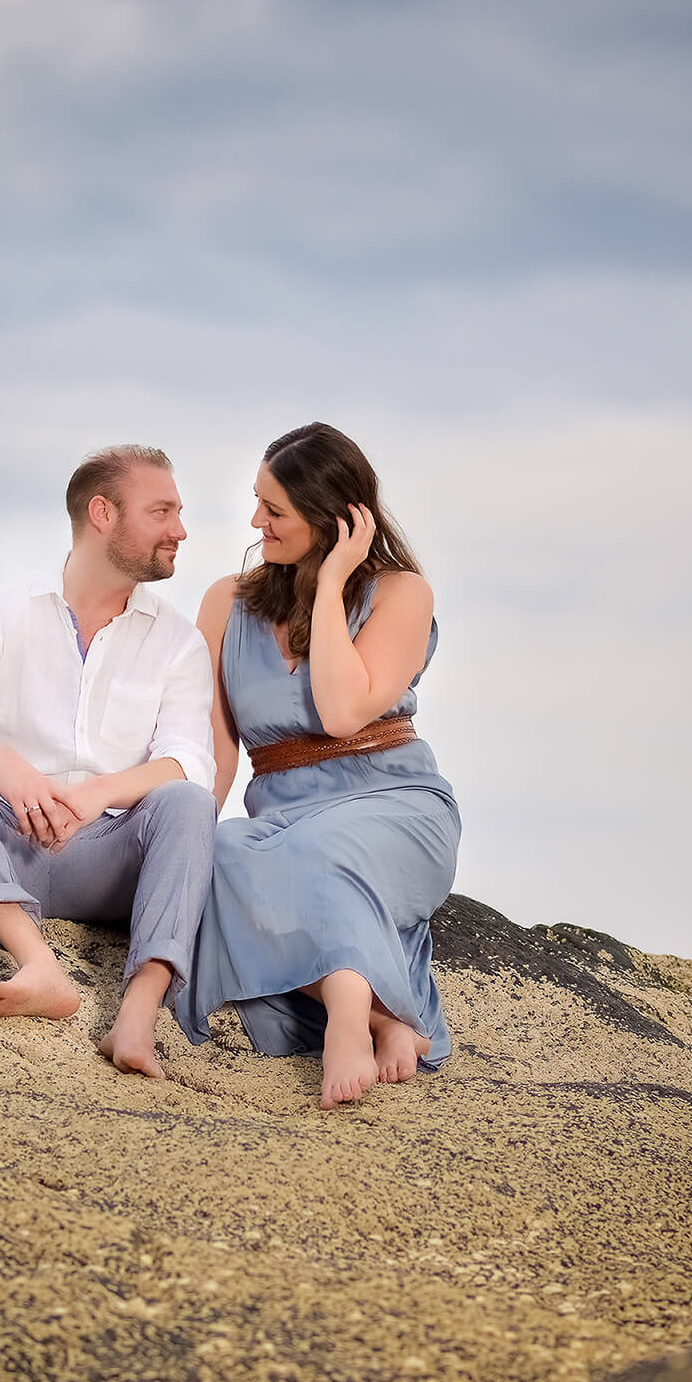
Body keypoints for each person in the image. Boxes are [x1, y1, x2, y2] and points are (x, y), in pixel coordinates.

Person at [0, 444, 216, 1078]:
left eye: (178, 512)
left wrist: (101, 792)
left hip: (109, 858)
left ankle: (137, 1015)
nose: (180, 529)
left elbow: (189, 763)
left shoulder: (178, 640)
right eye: (162, 511)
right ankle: (38, 964)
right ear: (103, 513)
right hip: (6, 843)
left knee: (187, 802)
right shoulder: (1, 613)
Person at [176, 422, 460, 1110]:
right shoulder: (226, 602)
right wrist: (186, 840)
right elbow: (217, 749)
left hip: (394, 803)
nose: (254, 521)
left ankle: (343, 1027)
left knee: (320, 852)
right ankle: (386, 1018)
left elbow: (341, 713)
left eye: (273, 510)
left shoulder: (402, 593)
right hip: (281, 816)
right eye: (257, 503)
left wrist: (331, 585)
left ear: (333, 518)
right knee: (218, 853)